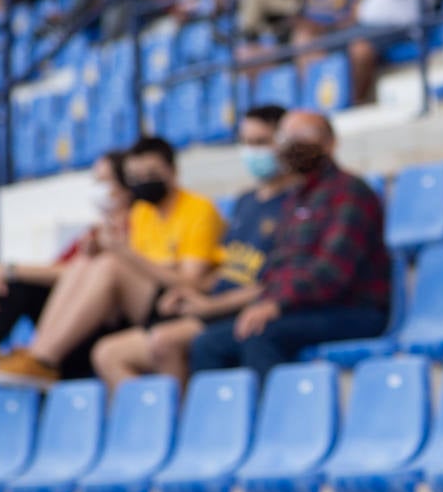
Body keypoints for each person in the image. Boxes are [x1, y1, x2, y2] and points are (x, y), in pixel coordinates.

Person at [0, 136, 225, 388]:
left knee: (110, 265)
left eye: (152, 174)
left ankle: (44, 360)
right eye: (137, 177)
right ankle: (35, 355)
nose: (143, 182)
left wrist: (123, 252)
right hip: (142, 301)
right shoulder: (143, 213)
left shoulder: (199, 209)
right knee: (85, 263)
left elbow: (189, 282)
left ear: (172, 171)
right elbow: (144, 266)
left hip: (177, 303)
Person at [91, 106, 295, 391]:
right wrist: (190, 293)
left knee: (164, 340)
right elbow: (227, 269)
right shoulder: (245, 201)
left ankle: (180, 416)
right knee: (106, 353)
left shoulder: (296, 204)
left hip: (241, 310)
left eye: (261, 142)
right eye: (247, 142)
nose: (252, 152)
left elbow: (279, 283)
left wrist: (211, 305)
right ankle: (152, 414)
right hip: (212, 305)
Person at [188, 110, 391, 379]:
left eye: (303, 137)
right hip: (302, 309)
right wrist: (266, 301)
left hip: (352, 309)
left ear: (330, 143)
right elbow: (277, 266)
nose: (293, 146)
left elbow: (331, 273)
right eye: (286, 138)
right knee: (207, 344)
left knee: (261, 335)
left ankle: (280, 407)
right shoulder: (295, 198)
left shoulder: (350, 192)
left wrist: (277, 304)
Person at [0, 152, 132, 376]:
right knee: (12, 286)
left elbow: (74, 272)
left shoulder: (137, 227)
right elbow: (63, 275)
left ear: (125, 186)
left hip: (103, 326)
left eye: (104, 181)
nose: (98, 189)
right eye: (96, 181)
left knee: (19, 278)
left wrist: (12, 270)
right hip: (71, 320)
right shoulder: (91, 233)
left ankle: (42, 360)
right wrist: (6, 274)